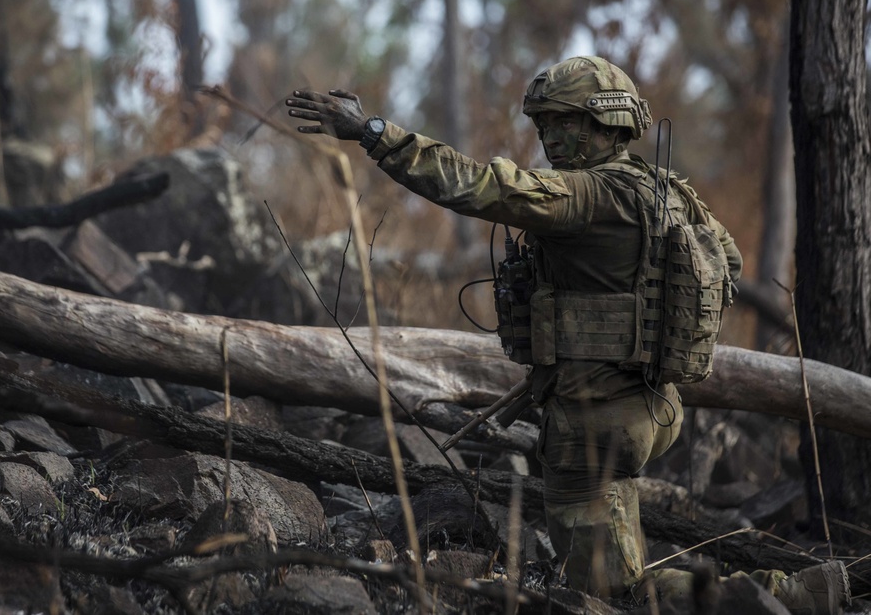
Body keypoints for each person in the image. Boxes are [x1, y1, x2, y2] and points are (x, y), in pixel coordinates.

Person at [285, 56, 851, 614]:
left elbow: (478, 185)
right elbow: (727, 261)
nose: (550, 135)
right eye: (544, 123)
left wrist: (373, 132)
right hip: (649, 407)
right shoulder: (669, 192)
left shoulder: (585, 196)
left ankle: (793, 595)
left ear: (607, 125)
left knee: (611, 595)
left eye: (566, 121)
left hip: (594, 421)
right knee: (609, 561)